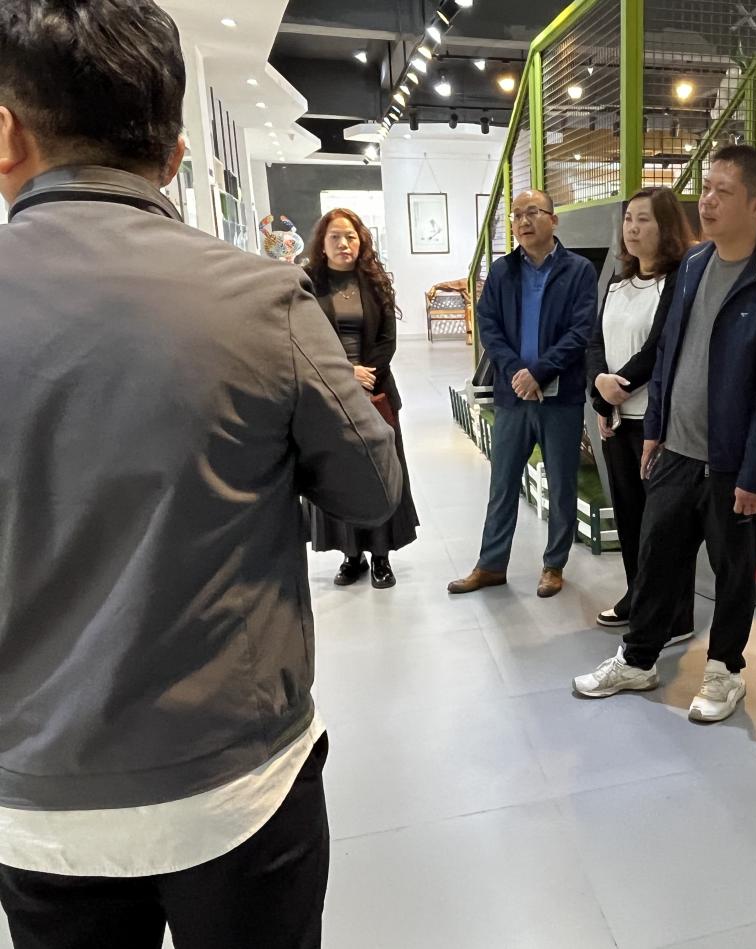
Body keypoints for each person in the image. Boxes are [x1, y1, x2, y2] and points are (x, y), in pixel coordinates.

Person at [0, 3, 402, 948]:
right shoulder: (261, 299)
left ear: (7, 136)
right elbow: (370, 490)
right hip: (232, 782)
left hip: (36, 796)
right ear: (178, 154)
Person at [572, 145, 756, 723]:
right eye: (706, 188)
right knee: (657, 560)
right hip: (676, 450)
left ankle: (725, 671)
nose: (706, 201)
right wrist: (654, 429)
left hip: (733, 463)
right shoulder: (695, 265)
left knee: (733, 574)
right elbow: (669, 352)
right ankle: (639, 658)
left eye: (723, 192)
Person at [447, 189, 597, 599]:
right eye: (516, 215)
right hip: (513, 396)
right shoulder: (502, 271)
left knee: (562, 485)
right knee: (502, 482)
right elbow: (489, 325)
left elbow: (580, 331)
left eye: (533, 212)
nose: (523, 221)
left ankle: (554, 565)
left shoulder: (579, 270)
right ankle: (491, 564)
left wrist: (540, 372)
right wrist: (517, 372)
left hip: (560, 397)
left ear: (553, 219)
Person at [586, 187, 696, 635]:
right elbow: (594, 342)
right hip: (617, 423)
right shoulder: (617, 282)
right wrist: (600, 389)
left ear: (665, 226)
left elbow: (659, 348)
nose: (632, 228)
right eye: (628, 219)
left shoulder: (678, 282)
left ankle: (675, 616)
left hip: (657, 425)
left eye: (643, 219)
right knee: (630, 518)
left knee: (664, 526)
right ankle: (638, 597)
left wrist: (620, 387)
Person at [303, 207, 419, 589]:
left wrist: (365, 377)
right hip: (328, 395)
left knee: (380, 473)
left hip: (376, 392)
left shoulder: (375, 282)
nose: (343, 243)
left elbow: (387, 341)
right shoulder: (307, 285)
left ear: (361, 241)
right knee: (340, 476)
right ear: (322, 243)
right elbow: (304, 340)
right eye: (335, 237)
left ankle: (381, 556)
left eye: (350, 236)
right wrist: (344, 372)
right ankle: (351, 555)